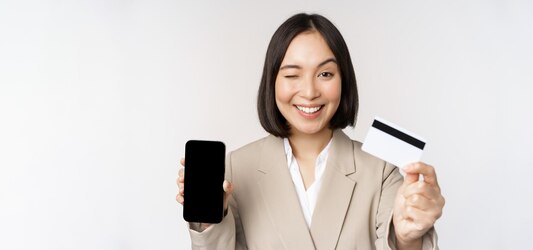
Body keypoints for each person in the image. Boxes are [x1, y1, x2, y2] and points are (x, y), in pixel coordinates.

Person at [176, 13, 444, 250]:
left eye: (325, 74)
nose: (310, 92)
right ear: (272, 83)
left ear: (344, 80)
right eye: (292, 75)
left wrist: (409, 239)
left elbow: (402, 241)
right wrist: (208, 221)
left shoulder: (381, 170)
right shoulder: (237, 167)